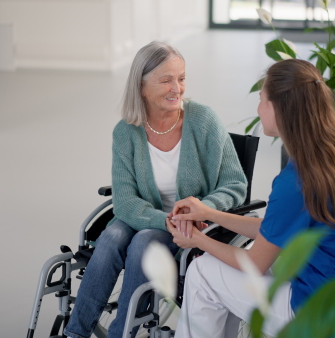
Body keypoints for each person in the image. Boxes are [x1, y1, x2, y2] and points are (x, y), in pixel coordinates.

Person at [167, 59, 335, 337]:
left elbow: (256, 264)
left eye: (261, 100)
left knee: (201, 273)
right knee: (221, 271)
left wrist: (196, 240)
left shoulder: (297, 180)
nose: (258, 109)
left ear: (279, 108)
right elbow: (276, 228)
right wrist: (208, 213)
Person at [63, 41, 247, 338]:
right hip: (146, 216)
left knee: (143, 242)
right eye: (166, 80)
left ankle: (123, 333)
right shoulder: (126, 132)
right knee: (111, 236)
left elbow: (235, 184)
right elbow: (124, 202)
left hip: (190, 225)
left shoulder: (203, 121)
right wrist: (164, 219)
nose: (177, 88)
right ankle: (75, 333)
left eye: (182, 78)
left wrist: (200, 209)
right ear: (142, 86)